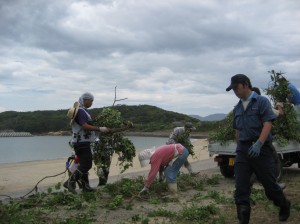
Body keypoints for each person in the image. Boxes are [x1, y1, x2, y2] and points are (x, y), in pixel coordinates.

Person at [226, 74, 290, 223]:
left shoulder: (261, 101)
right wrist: (239, 147)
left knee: (269, 185)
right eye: (233, 88)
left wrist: (259, 144)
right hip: (243, 150)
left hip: (261, 149)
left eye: (236, 87)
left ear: (246, 84)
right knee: (241, 187)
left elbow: (268, 123)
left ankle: (283, 204)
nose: (235, 91)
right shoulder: (237, 108)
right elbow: (237, 130)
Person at [64, 92, 111, 194]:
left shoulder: (83, 111)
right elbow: (84, 126)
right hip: (82, 142)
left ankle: (86, 187)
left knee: (82, 165)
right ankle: (70, 182)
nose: (92, 103)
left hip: (80, 142)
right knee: (86, 165)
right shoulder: (80, 111)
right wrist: (100, 129)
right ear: (85, 100)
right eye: (91, 101)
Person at [251, 87, 286, 190]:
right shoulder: (263, 105)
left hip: (250, 140)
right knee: (273, 160)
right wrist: (279, 105)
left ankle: (248, 185)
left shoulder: (244, 106)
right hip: (263, 140)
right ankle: (274, 184)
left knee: (253, 164)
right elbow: (280, 114)